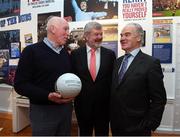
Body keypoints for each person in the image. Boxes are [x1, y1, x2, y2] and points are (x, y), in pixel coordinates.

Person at [14, 16, 74, 136]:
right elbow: (20, 85)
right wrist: (47, 96)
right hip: (43, 112)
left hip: (65, 111)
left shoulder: (65, 53)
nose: (68, 33)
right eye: (65, 29)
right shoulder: (31, 51)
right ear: (52, 29)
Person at [110, 23, 167, 136]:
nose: (122, 38)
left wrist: (150, 124)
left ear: (139, 38)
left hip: (139, 127)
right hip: (117, 126)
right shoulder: (117, 62)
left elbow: (159, 99)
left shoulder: (151, 63)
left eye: (127, 35)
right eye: (121, 35)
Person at [71, 21, 116, 136]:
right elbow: (72, 77)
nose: (100, 37)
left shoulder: (110, 54)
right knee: (85, 133)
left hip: (104, 107)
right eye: (96, 34)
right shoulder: (75, 55)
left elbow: (112, 80)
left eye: (101, 34)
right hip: (83, 106)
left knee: (102, 133)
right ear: (86, 36)